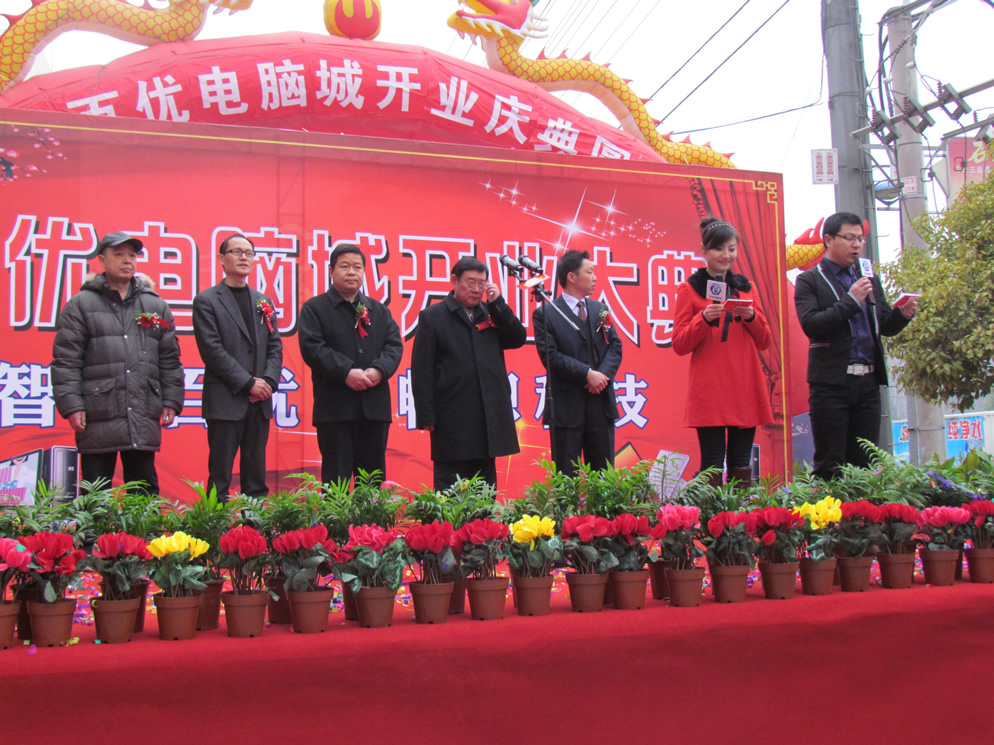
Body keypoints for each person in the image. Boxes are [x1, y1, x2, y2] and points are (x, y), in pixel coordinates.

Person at [52, 231, 184, 495]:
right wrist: (72, 405)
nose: (127, 260)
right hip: (98, 409)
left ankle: (144, 526)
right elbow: (66, 361)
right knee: (95, 492)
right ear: (102, 260)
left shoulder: (155, 305)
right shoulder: (81, 305)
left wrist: (172, 400)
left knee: (144, 490)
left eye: (132, 255)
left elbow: (169, 359)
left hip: (142, 408)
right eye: (119, 254)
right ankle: (95, 526)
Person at [794, 211, 918, 479]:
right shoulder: (810, 280)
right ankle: (830, 507)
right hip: (831, 384)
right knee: (831, 463)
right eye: (849, 238)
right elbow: (811, 324)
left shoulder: (868, 278)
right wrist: (850, 301)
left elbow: (884, 325)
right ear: (829, 240)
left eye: (860, 239)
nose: (857, 245)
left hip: (868, 383)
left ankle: (861, 508)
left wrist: (902, 315)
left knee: (864, 464)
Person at [672, 218, 773, 489]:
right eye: (719, 249)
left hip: (744, 386)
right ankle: (712, 514)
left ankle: (740, 513)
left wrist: (751, 316)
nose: (726, 255)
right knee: (712, 463)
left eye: (731, 248)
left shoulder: (746, 288)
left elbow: (765, 340)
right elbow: (679, 344)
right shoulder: (690, 289)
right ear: (704, 250)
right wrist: (703, 318)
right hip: (711, 388)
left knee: (741, 461)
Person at [411, 256, 526, 490]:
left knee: (484, 484)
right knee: (450, 485)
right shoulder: (433, 316)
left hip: (487, 413)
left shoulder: (491, 313)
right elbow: (422, 370)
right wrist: (426, 415)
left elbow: (518, 338)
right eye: (470, 282)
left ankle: (485, 516)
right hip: (451, 413)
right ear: (454, 281)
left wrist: (498, 304)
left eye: (481, 284)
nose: (476, 289)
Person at [298, 244, 403, 486]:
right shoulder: (315, 309)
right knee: (337, 482)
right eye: (344, 266)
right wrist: (346, 372)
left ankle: (371, 515)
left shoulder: (378, 310)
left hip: (374, 408)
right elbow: (313, 348)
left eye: (357, 267)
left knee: (372, 482)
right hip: (335, 409)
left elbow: (394, 345)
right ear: (331, 270)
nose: (351, 272)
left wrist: (379, 370)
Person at [192, 233, 282, 501]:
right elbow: (212, 350)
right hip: (226, 399)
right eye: (237, 252)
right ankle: (215, 526)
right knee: (220, 475)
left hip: (260, 401)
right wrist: (248, 383)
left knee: (255, 476)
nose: (244, 257)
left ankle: (253, 526)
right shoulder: (207, 300)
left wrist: (268, 382)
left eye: (249, 253)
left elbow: (275, 346)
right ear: (221, 259)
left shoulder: (263, 301)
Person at [532, 249, 622, 476]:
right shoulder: (547, 313)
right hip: (566, 408)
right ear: (571, 277)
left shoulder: (599, 309)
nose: (595, 278)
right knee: (566, 477)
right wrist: (586, 374)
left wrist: (601, 376)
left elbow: (615, 346)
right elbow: (551, 356)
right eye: (589, 272)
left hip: (600, 404)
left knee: (604, 477)